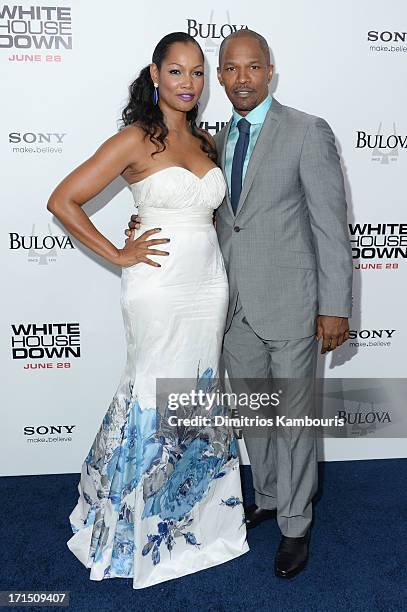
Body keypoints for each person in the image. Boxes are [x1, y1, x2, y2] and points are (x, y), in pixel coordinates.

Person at [128, 29, 353, 579]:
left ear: (269, 71)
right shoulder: (211, 139)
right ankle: (272, 496)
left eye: (253, 67)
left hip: (293, 303)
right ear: (220, 77)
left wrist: (335, 306)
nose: (241, 78)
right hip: (230, 306)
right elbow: (201, 213)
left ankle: (296, 526)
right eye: (229, 68)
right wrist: (139, 227)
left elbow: (330, 226)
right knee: (255, 416)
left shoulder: (307, 131)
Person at [47, 31, 249, 590]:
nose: (190, 83)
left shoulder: (209, 142)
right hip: (156, 287)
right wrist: (118, 252)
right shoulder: (135, 140)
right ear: (155, 74)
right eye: (178, 71)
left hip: (208, 287)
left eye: (198, 73)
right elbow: (63, 199)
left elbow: (216, 220)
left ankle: (201, 528)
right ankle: (130, 532)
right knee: (150, 391)